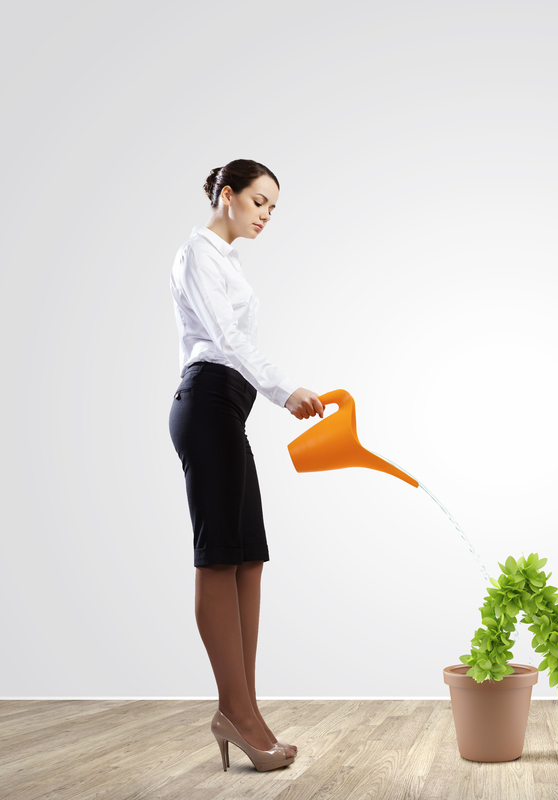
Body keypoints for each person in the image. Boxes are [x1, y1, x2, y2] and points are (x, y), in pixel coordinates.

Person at [168, 159, 324, 772]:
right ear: (226, 195)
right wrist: (285, 391)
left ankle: (245, 711)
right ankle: (235, 711)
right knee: (219, 556)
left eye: (273, 208)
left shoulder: (227, 262)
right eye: (259, 202)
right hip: (207, 402)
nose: (266, 215)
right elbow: (227, 340)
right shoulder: (197, 253)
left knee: (248, 556)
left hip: (227, 410)